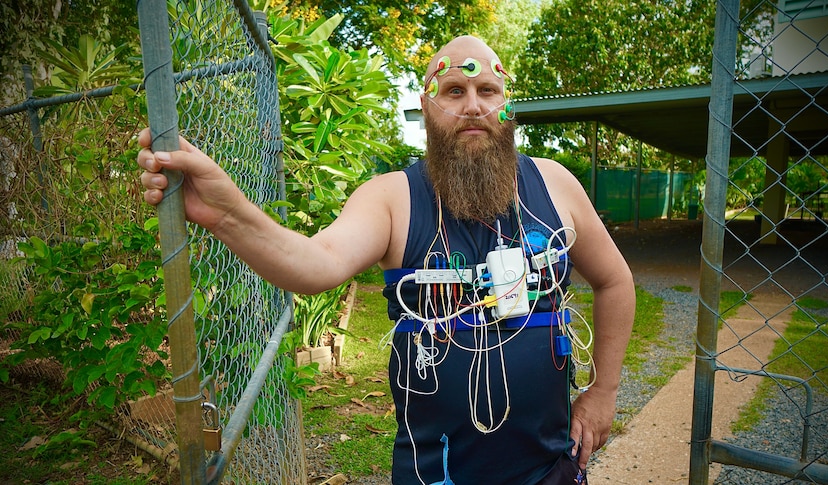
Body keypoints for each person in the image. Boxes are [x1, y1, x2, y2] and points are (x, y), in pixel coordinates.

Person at [138, 35, 634, 485]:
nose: (473, 106)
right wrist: (227, 214)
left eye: (488, 90)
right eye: (454, 91)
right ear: (426, 107)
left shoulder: (555, 184)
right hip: (435, 476)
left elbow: (614, 281)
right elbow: (317, 262)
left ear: (506, 103)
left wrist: (603, 391)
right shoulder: (394, 198)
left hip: (551, 470)